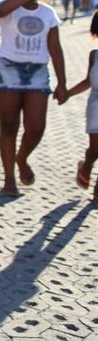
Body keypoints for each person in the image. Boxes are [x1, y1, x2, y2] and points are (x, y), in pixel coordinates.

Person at [0, 0, 66, 197]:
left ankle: (21, 158)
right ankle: (9, 179)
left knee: (36, 127)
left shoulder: (47, 13)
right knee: (9, 126)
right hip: (8, 69)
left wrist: (62, 84)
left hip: (37, 73)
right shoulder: (8, 5)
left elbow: (55, 48)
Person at [60, 11, 98, 204]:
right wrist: (67, 93)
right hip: (96, 107)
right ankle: (86, 165)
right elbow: (88, 81)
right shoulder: (95, 55)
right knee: (95, 148)